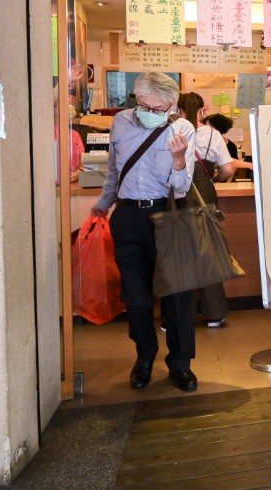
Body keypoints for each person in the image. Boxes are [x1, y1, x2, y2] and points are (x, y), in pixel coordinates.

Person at [90, 72, 199, 392]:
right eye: (143, 106)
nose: (148, 113)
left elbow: (182, 187)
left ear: (172, 105)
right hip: (127, 217)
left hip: (167, 215)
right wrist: (104, 202)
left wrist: (179, 160)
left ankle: (180, 363)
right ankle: (145, 356)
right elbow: (114, 170)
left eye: (157, 109)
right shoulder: (121, 122)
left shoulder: (183, 129)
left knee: (177, 295)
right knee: (136, 298)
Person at [176, 92, 244, 328]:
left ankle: (176, 316)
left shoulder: (173, 130)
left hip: (178, 193)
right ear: (203, 110)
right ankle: (215, 313)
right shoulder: (213, 134)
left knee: (179, 253)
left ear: (178, 108)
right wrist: (211, 177)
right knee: (208, 252)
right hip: (205, 193)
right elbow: (227, 170)